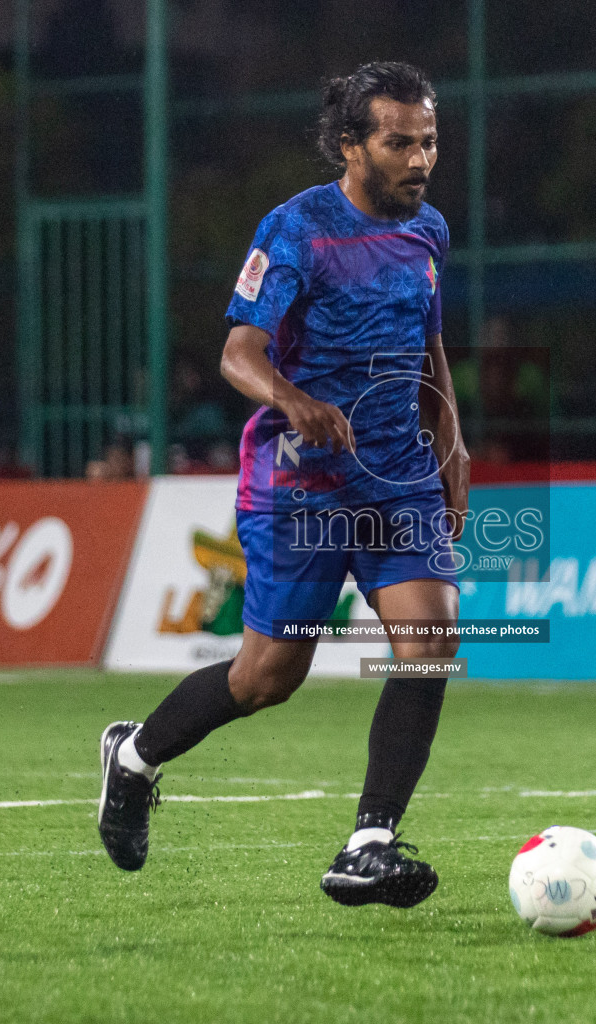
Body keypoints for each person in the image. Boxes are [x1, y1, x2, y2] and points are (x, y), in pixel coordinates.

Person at [96, 62, 468, 909]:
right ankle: (135, 757)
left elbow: (430, 348)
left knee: (431, 638)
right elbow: (238, 351)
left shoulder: (430, 233)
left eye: (431, 141)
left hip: (397, 474)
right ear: (351, 145)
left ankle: (370, 841)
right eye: (400, 142)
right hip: (301, 480)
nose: (420, 159)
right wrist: (294, 400)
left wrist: (453, 441)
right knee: (267, 676)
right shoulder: (297, 228)